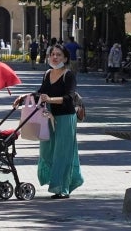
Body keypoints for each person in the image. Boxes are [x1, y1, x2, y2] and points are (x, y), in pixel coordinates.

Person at [12, 44, 83, 199]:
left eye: (58, 55)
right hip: (48, 116)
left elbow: (69, 98)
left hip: (65, 117)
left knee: (62, 153)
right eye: (52, 54)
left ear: (65, 58)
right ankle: (60, 180)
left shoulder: (68, 75)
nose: (55, 57)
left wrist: (50, 99)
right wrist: (25, 97)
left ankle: (62, 188)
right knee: (47, 150)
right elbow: (41, 93)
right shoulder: (47, 73)